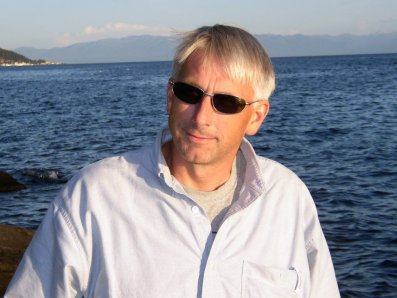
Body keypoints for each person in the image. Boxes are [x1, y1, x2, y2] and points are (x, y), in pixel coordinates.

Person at [6, 24, 340, 297]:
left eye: (225, 102)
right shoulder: (93, 197)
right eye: (190, 93)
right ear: (169, 96)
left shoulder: (288, 200)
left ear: (256, 116)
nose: (201, 117)